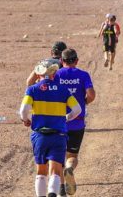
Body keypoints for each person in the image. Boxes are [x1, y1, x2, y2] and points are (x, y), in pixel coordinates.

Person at [20, 59, 82, 197]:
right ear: (54, 73)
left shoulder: (32, 89)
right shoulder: (63, 90)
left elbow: (23, 110)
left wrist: (26, 120)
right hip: (58, 135)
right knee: (55, 171)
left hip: (40, 136)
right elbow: (77, 109)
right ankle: (53, 194)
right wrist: (66, 118)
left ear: (39, 74)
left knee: (41, 171)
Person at [55, 49, 96, 196]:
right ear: (76, 61)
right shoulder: (83, 75)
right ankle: (70, 168)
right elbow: (91, 95)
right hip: (77, 122)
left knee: (58, 156)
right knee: (72, 155)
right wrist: (83, 103)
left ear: (61, 61)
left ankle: (60, 187)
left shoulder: (56, 75)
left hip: (58, 122)